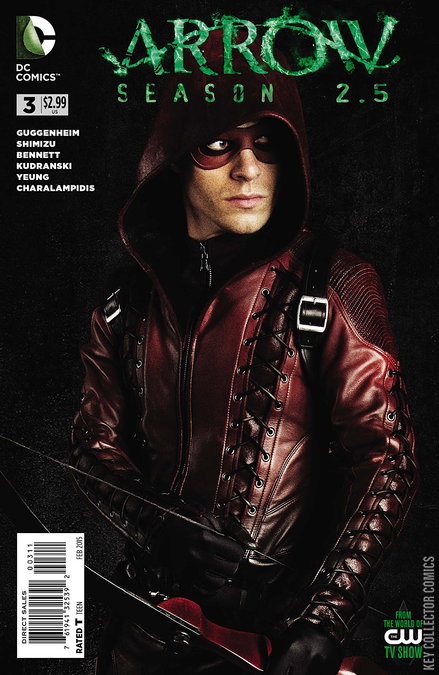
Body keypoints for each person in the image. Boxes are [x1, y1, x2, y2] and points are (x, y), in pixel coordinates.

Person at [70, 31, 418, 675]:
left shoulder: (333, 285)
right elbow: (93, 448)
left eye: (268, 144)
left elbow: (386, 459)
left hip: (273, 646)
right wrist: (158, 523)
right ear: (174, 156)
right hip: (147, 632)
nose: (248, 169)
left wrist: (326, 617)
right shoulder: (124, 305)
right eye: (218, 144)